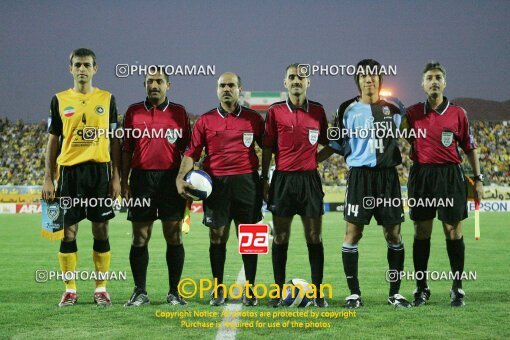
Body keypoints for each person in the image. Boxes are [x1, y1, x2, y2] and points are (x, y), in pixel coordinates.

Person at [319, 59, 412, 308]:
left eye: (373, 76)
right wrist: (312, 161)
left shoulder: (395, 107)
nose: (368, 80)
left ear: (380, 80)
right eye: (363, 76)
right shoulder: (346, 109)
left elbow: (412, 134)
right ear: (358, 81)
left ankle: (395, 293)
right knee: (353, 233)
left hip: (387, 177)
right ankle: (354, 293)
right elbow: (336, 143)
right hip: (359, 177)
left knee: (393, 234)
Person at [176, 72, 264, 306]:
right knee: (217, 237)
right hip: (217, 186)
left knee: (249, 238)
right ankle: (217, 289)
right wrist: (180, 178)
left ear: (239, 89)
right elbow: (191, 153)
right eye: (222, 85)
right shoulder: (205, 121)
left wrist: (266, 178)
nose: (226, 89)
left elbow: (270, 148)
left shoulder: (253, 119)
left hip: (247, 183)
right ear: (217, 90)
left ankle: (251, 290)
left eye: (231, 85)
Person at [42, 48, 121, 307]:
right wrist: (48, 178)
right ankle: (70, 289)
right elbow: (53, 140)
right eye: (78, 65)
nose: (82, 69)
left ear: (95, 68)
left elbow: (115, 141)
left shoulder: (107, 99)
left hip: (99, 172)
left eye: (87, 65)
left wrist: (116, 177)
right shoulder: (59, 99)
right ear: (70, 69)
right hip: (69, 174)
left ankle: (101, 288)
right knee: (67, 232)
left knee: (102, 229)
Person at [402, 62, 483, 307]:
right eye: (429, 77)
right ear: (423, 84)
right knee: (421, 231)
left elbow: (469, 148)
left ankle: (457, 288)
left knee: (453, 231)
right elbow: (400, 136)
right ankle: (421, 287)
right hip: (421, 176)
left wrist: (477, 180)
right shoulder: (412, 113)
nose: (434, 81)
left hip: (450, 176)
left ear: (444, 83)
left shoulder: (458, 113)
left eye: (438, 77)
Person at [261, 64, 329, 308]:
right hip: (282, 180)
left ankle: (319, 294)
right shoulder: (275, 111)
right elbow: (267, 146)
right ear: (285, 83)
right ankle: (278, 293)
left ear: (308, 82)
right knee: (280, 237)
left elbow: (330, 143)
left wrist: (315, 160)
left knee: (314, 236)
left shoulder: (318, 111)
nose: (296, 80)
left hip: (309, 181)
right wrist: (264, 178)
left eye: (301, 77)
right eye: (292, 77)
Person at [121, 68, 191, 307]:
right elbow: (126, 149)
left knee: (173, 235)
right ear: (144, 84)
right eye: (150, 81)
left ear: (168, 85)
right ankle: (140, 291)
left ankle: (174, 292)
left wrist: (185, 179)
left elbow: (188, 150)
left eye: (159, 81)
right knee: (140, 236)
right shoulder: (133, 112)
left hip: (170, 180)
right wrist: (122, 181)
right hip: (140, 180)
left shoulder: (179, 112)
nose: (154, 85)